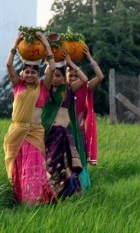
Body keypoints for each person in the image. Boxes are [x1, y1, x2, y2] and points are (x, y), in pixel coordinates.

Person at [3, 31, 57, 205]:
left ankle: (33, 200)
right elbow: (9, 65)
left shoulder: (42, 87)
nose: (30, 75)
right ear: (22, 74)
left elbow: (53, 68)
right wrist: (16, 42)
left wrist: (45, 44)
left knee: (33, 167)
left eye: (34, 73)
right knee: (19, 166)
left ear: (37, 76)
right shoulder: (17, 85)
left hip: (34, 133)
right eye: (27, 72)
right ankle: (20, 199)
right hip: (17, 132)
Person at [42, 49, 90, 199]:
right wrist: (50, 61)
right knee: (51, 165)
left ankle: (68, 194)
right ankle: (51, 194)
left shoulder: (68, 89)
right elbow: (48, 74)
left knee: (68, 164)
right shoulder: (45, 90)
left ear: (64, 78)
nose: (55, 78)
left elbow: (84, 79)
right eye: (53, 75)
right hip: (51, 134)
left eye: (59, 75)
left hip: (65, 134)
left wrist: (70, 63)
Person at [67, 45, 104, 166]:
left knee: (80, 162)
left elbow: (100, 76)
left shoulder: (85, 87)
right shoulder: (62, 89)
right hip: (64, 130)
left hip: (79, 131)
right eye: (70, 75)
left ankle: (80, 184)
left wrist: (89, 57)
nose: (73, 78)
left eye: (76, 75)